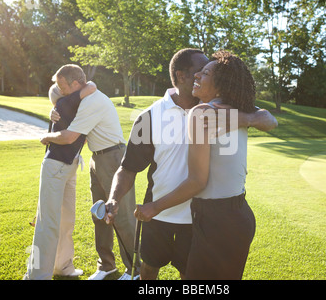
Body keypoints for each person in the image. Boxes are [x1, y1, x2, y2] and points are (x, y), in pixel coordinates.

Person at [104, 48, 277, 280]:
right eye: (199, 71)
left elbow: (269, 119)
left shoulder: (225, 107)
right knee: (148, 268)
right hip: (158, 215)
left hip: (198, 218)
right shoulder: (149, 117)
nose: (200, 76)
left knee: (190, 275)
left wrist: (246, 118)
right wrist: (114, 199)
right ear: (181, 75)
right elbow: (128, 168)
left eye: (206, 73)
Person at [40, 65, 140, 280]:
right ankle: (106, 266)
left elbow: (69, 137)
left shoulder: (92, 101)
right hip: (98, 158)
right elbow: (67, 115)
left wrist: (47, 137)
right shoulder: (82, 99)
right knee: (99, 214)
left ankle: (135, 271)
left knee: (121, 216)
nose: (60, 91)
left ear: (75, 84)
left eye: (62, 86)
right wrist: (55, 111)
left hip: (113, 158)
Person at [24, 64, 96, 280]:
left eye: (63, 86)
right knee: (48, 224)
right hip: (56, 165)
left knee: (66, 220)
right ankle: (37, 275)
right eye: (60, 88)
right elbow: (91, 86)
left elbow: (89, 86)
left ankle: (63, 266)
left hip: (70, 166)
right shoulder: (66, 102)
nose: (63, 90)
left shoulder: (70, 104)